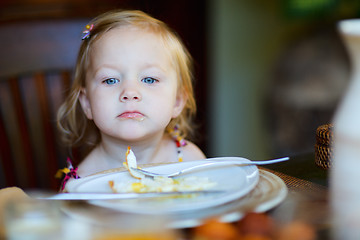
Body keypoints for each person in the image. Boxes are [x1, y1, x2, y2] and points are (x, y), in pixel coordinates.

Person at [56, 9, 206, 188]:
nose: (130, 92)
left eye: (149, 79)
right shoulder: (82, 184)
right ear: (87, 103)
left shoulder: (188, 159)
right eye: (110, 80)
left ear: (177, 101)